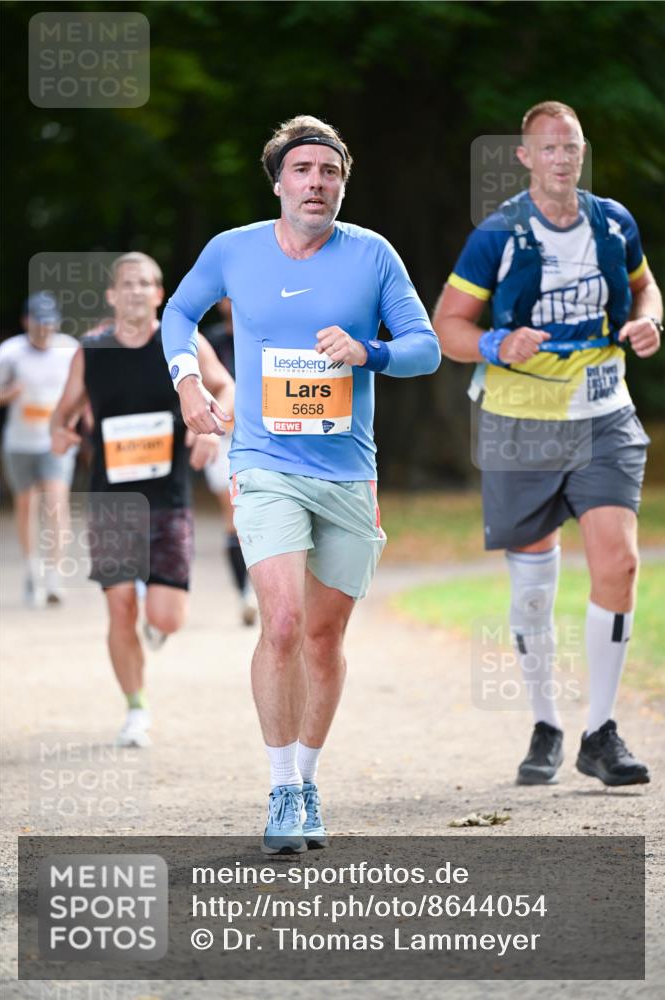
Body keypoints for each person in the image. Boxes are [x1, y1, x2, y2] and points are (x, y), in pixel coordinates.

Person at [162, 115, 441, 853]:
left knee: (322, 638)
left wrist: (368, 350)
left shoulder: (372, 256)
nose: (317, 183)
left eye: (330, 173)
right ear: (278, 180)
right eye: (304, 170)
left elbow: (426, 349)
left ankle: (309, 777)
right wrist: (188, 383)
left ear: (342, 184)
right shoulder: (234, 250)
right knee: (281, 623)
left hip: (348, 473)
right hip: (265, 464)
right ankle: (283, 787)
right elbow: (178, 312)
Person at [433, 101, 662, 788]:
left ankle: (600, 731)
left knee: (617, 565)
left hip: (602, 414)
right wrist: (498, 342)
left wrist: (650, 323)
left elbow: (647, 291)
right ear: (525, 157)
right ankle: (546, 722)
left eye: (573, 148)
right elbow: (449, 327)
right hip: (518, 423)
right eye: (550, 149)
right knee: (532, 588)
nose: (564, 159)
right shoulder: (497, 234)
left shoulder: (613, 222)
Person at [51, 252, 234, 748]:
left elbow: (225, 386)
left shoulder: (184, 343)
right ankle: (136, 709)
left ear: (159, 295)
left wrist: (213, 429)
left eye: (146, 283)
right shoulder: (90, 352)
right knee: (119, 608)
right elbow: (62, 414)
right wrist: (60, 434)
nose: (136, 291)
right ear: (112, 295)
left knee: (165, 617)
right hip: (111, 500)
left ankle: (160, 630)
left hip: (169, 499)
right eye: (127, 283)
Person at [0, 292, 77, 607]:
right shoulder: (10, 352)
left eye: (49, 323)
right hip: (19, 443)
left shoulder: (69, 349)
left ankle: (55, 574)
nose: (44, 330)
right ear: (26, 322)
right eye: (37, 323)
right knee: (26, 505)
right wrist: (8, 395)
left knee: (56, 503)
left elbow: (82, 390)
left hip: (54, 441)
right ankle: (32, 569)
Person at [202, 297, 258, 626]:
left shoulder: (266, 333)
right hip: (223, 437)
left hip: (264, 437)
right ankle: (245, 593)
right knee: (234, 514)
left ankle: (266, 589)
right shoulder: (210, 343)